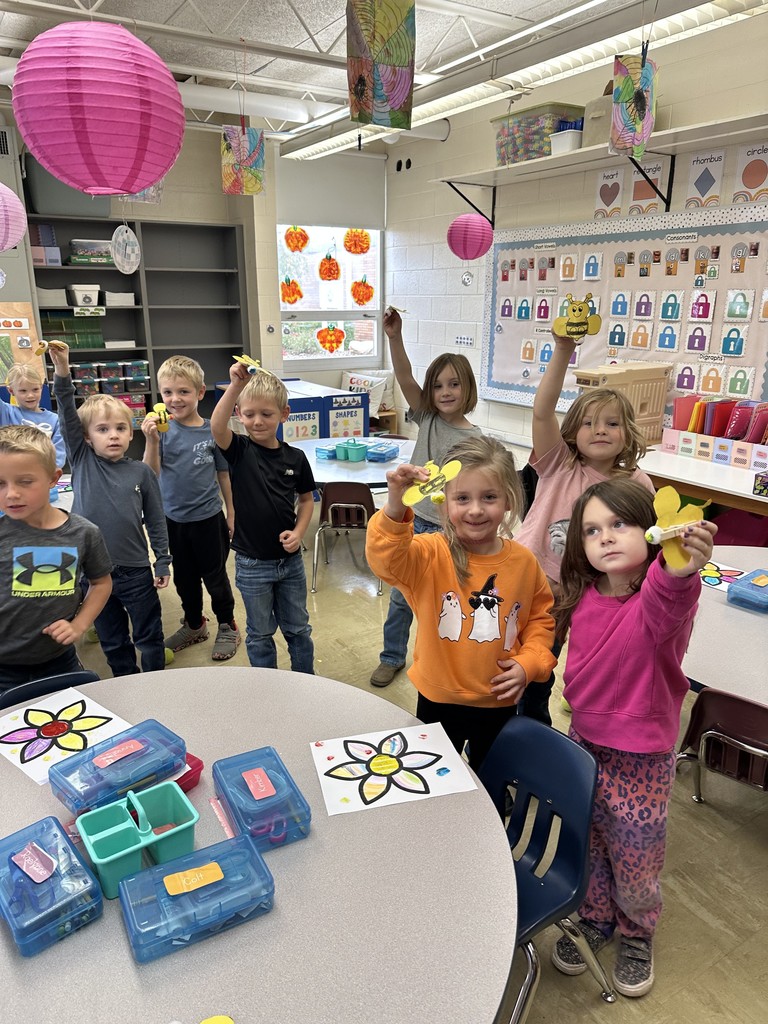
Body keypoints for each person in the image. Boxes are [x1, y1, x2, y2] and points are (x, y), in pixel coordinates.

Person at [550, 478, 716, 998]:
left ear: (651, 530)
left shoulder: (660, 599)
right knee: (592, 840)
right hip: (586, 741)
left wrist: (679, 568)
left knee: (637, 852)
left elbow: (670, 595)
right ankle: (597, 917)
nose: (605, 537)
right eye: (592, 530)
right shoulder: (582, 595)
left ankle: (637, 931)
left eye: (619, 524)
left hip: (642, 754)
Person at [366, 435, 556, 769]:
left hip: (499, 700)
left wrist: (531, 663)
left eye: (489, 497)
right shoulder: (429, 554)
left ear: (509, 499)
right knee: (435, 777)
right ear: (444, 502)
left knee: (491, 778)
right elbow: (385, 561)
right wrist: (396, 506)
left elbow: (540, 620)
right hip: (438, 699)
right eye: (463, 498)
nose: (476, 509)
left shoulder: (524, 562)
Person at [514, 331, 654, 725]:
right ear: (573, 431)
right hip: (531, 577)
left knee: (553, 659)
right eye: (589, 423)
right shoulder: (560, 463)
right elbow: (542, 413)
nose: (600, 430)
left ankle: (543, 716)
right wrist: (563, 350)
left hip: (583, 590)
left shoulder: (636, 484)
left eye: (612, 423)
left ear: (627, 432)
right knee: (515, 651)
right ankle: (512, 717)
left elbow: (642, 544)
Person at [370, 307, 483, 688]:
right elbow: (403, 375)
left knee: (445, 598)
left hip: (451, 531)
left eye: (453, 385)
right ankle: (391, 657)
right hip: (414, 523)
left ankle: (445, 658)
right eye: (438, 386)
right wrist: (394, 337)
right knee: (402, 597)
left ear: (467, 389)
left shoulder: (477, 440)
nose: (445, 392)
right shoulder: (428, 418)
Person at [49, 340, 171, 677]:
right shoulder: (83, 460)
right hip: (93, 573)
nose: (113, 435)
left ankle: (158, 682)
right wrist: (62, 369)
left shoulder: (141, 472)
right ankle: (125, 685)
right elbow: (65, 413)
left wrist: (162, 558)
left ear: (130, 433)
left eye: (120, 428)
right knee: (113, 639)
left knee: (149, 635)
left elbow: (156, 518)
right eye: (102, 430)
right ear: (86, 437)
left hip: (135, 571)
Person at [211, 361, 315, 673]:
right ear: (239, 415)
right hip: (252, 564)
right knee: (259, 633)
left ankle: (306, 680)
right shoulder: (239, 449)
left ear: (284, 415)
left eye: (266, 414)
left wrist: (298, 532)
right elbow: (216, 427)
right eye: (249, 414)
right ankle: (267, 687)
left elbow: (307, 500)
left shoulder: (296, 458)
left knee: (298, 629)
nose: (257, 421)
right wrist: (236, 387)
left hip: (290, 563)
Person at [142, 355, 240, 661]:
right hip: (172, 521)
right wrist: (152, 442)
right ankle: (195, 624)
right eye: (168, 392)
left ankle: (228, 624)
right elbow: (150, 475)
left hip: (209, 519)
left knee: (215, 578)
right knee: (184, 579)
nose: (175, 399)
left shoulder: (212, 430)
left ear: (200, 393)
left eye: (183, 391)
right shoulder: (159, 432)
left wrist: (232, 512)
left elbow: (224, 474)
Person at [0, 424, 112, 691]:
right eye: (0, 483)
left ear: (53, 478)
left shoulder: (84, 533)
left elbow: (101, 582)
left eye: (25, 481)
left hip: (59, 659)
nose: (11, 493)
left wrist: (80, 624)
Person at [2, 361, 66, 467]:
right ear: (11, 391)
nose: (30, 395)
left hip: (42, 477)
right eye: (23, 391)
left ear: (41, 388)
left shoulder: (56, 421)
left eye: (35, 389)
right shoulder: (6, 412)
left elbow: (58, 456)